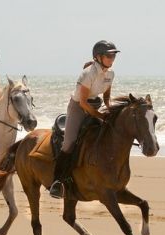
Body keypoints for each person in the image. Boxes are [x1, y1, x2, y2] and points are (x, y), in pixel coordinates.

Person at [49, 40, 120, 198]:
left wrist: (109, 111)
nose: (112, 58)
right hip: (78, 108)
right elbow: (82, 102)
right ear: (98, 57)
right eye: (109, 55)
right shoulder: (88, 73)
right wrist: (99, 115)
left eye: (113, 55)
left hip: (95, 105)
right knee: (69, 143)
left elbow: (107, 98)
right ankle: (57, 182)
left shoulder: (110, 74)